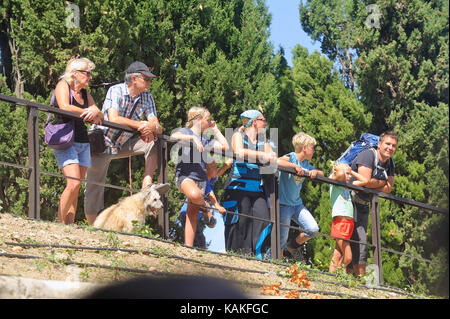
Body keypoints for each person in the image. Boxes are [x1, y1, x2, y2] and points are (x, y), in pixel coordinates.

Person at [84, 61, 167, 225]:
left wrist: (152, 127)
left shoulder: (147, 96)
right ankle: (94, 230)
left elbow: (158, 126)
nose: (150, 82)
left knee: (154, 141)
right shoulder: (116, 90)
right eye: (147, 79)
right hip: (101, 145)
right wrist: (142, 125)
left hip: (121, 144)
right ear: (135, 79)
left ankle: (147, 185)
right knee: (93, 192)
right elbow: (114, 118)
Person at [51, 58, 103, 225]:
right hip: (65, 139)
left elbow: (100, 115)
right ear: (75, 73)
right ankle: (59, 223)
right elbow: (64, 106)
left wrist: (95, 110)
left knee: (77, 186)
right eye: (87, 73)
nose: (90, 77)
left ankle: (69, 224)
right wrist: (88, 112)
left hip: (83, 142)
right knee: (72, 183)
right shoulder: (63, 85)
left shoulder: (86, 95)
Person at [222, 110, 277, 259]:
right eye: (262, 120)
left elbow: (272, 157)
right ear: (254, 122)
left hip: (256, 190)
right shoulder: (238, 135)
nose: (265, 123)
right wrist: (261, 155)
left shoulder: (263, 142)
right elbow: (239, 152)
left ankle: (260, 257)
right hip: (237, 187)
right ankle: (238, 257)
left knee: (263, 218)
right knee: (241, 221)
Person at [171, 106, 229, 247]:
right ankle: (206, 206)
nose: (209, 123)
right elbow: (173, 136)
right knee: (195, 195)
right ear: (198, 119)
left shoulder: (206, 139)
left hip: (201, 180)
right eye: (207, 120)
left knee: (192, 215)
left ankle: (188, 248)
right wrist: (192, 138)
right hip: (185, 176)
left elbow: (225, 147)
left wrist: (215, 129)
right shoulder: (186, 131)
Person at [349, 130, 397, 277]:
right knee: (356, 243)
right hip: (349, 202)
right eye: (387, 144)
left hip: (364, 204)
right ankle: (361, 283)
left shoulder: (390, 163)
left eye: (393, 145)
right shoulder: (368, 155)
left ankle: (349, 281)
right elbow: (364, 181)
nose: (390, 148)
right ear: (379, 144)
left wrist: (373, 183)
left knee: (356, 243)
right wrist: (381, 182)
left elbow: (388, 188)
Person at [277, 132, 324, 261]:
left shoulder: (307, 165)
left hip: (297, 205)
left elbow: (322, 173)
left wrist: (315, 172)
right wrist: (294, 166)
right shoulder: (291, 157)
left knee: (313, 228)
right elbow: (276, 161)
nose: (314, 151)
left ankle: (292, 246)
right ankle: (277, 265)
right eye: (312, 148)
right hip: (283, 205)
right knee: (281, 239)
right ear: (304, 148)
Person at [178, 160, 228, 249]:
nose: (216, 170)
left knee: (201, 238)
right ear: (206, 170)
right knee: (200, 242)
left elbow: (220, 172)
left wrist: (227, 164)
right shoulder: (204, 180)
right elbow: (210, 193)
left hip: (196, 213)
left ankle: (207, 214)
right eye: (214, 168)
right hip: (186, 214)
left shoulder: (211, 179)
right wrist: (217, 206)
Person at [328, 163, 368, 273]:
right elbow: (339, 175)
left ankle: (331, 275)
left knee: (337, 253)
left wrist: (351, 171)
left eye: (349, 174)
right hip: (340, 221)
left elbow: (364, 181)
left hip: (349, 223)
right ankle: (339, 272)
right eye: (347, 174)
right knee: (348, 257)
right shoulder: (334, 182)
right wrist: (339, 168)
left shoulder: (348, 185)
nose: (349, 176)